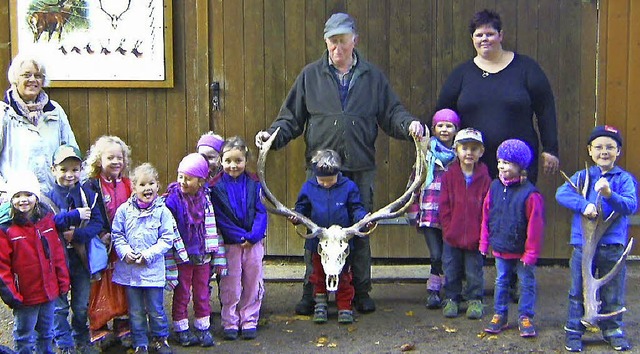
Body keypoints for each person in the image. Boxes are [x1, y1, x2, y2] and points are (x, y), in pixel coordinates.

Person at [255, 12, 425, 315]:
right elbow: (290, 119)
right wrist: (271, 136)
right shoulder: (310, 76)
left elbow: (392, 113)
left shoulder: (373, 78)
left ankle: (361, 291)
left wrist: (409, 125)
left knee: (359, 230)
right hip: (320, 172)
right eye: (333, 41)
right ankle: (311, 290)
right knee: (315, 234)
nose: (338, 48)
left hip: (359, 169)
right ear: (326, 42)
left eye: (343, 41)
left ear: (354, 41)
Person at [434, 9, 559, 185]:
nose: (484, 39)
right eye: (479, 35)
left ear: (501, 35)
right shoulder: (461, 75)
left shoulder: (527, 69)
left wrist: (550, 149)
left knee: (516, 210)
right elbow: (442, 114)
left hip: (518, 165)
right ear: (472, 39)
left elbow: (546, 110)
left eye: (490, 34)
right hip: (473, 163)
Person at [556, 125, 638, 352]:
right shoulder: (582, 176)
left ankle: (613, 330)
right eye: (599, 147)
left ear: (618, 151)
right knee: (578, 290)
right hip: (583, 246)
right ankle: (574, 330)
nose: (604, 151)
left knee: (612, 290)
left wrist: (611, 195)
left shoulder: (624, 179)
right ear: (590, 150)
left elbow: (631, 205)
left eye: (610, 147)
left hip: (612, 246)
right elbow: (561, 193)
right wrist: (584, 205)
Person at [288, 149, 369, 325]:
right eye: (322, 180)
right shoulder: (309, 187)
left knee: (344, 276)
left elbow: (356, 208)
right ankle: (320, 305)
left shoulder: (348, 187)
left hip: (341, 244)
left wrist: (363, 219)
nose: (325, 184)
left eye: (330, 180)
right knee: (318, 275)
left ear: (338, 173)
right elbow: (301, 207)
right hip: (318, 242)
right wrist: (296, 216)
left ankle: (344, 306)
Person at [480, 139, 545, 338]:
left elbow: (536, 226)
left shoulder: (530, 194)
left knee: (526, 282)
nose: (501, 166)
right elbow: (486, 214)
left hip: (523, 251)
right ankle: (500, 314)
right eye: (500, 161)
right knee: (501, 280)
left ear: (520, 166)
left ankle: (525, 316)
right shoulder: (494, 187)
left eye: (507, 163)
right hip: (501, 246)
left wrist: (531, 253)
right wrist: (484, 241)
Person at [0, 171, 70, 354]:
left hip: (49, 291)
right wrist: (12, 295)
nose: (23, 200)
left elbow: (58, 253)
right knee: (25, 336)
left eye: (28, 194)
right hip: (25, 296)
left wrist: (63, 280)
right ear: (11, 199)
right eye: (17, 196)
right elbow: (2, 266)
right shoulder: (7, 228)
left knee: (46, 333)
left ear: (36, 197)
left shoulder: (46, 221)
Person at [111, 163, 175, 354]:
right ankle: (140, 341)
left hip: (153, 270)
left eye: (151, 184)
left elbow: (167, 239)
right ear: (134, 187)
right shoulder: (124, 211)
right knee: (136, 310)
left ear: (158, 185)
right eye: (142, 184)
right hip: (130, 272)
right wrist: (124, 252)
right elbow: (117, 234)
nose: (147, 188)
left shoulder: (163, 212)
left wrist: (148, 255)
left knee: (156, 308)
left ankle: (160, 338)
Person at [165, 153, 227, 347]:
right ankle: (181, 328)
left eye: (188, 178)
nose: (183, 181)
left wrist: (216, 255)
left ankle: (202, 326)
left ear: (201, 181)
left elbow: (213, 227)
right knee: (182, 293)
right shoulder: (172, 200)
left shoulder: (206, 199)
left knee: (202, 293)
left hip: (203, 256)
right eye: (180, 176)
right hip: (182, 256)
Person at [209, 137, 268, 341]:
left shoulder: (255, 182)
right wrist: (237, 236)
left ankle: (249, 318)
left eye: (238, 161)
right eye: (228, 161)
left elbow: (262, 211)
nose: (233, 166)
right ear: (221, 161)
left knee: (252, 281)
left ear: (245, 160)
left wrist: (254, 235)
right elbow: (220, 217)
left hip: (253, 243)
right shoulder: (214, 187)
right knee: (230, 283)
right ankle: (230, 321)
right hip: (230, 244)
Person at [48, 145, 104, 354]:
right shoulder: (46, 197)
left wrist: (78, 235)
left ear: (81, 169)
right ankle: (64, 343)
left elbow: (97, 222)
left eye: (74, 169)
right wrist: (74, 216)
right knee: (59, 305)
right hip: (56, 260)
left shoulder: (88, 194)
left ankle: (81, 337)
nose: (69, 175)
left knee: (81, 304)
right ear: (53, 169)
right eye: (63, 170)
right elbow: (49, 223)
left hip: (81, 257)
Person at [1, 53, 78, 195]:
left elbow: (71, 150)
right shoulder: (4, 112)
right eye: (26, 75)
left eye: (38, 76)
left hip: (52, 197)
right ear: (15, 79)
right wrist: (4, 192)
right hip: (17, 201)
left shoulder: (55, 111)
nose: (32, 80)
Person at [83, 135, 133, 345]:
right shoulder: (91, 186)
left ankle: (123, 322)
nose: (115, 162)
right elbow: (91, 213)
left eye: (119, 157)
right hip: (101, 242)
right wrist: (101, 233)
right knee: (100, 284)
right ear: (99, 160)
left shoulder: (128, 183)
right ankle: (98, 325)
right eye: (110, 157)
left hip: (123, 243)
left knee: (122, 282)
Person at [408, 108, 459, 309]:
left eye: (449, 126)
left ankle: (443, 291)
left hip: (451, 216)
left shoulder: (460, 157)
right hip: (429, 214)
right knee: (436, 254)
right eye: (440, 125)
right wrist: (413, 212)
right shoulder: (425, 154)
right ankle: (434, 289)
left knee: (448, 255)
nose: (444, 129)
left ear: (456, 129)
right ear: (434, 128)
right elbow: (415, 183)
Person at [438, 128, 491, 319]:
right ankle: (451, 298)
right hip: (452, 235)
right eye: (465, 148)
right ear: (456, 150)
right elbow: (443, 205)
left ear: (481, 152)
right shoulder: (449, 176)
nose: (469, 153)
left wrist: (484, 232)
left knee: (474, 270)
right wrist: (448, 228)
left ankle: (475, 299)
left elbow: (488, 207)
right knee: (451, 268)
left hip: (475, 237)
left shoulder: (485, 178)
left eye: (474, 149)